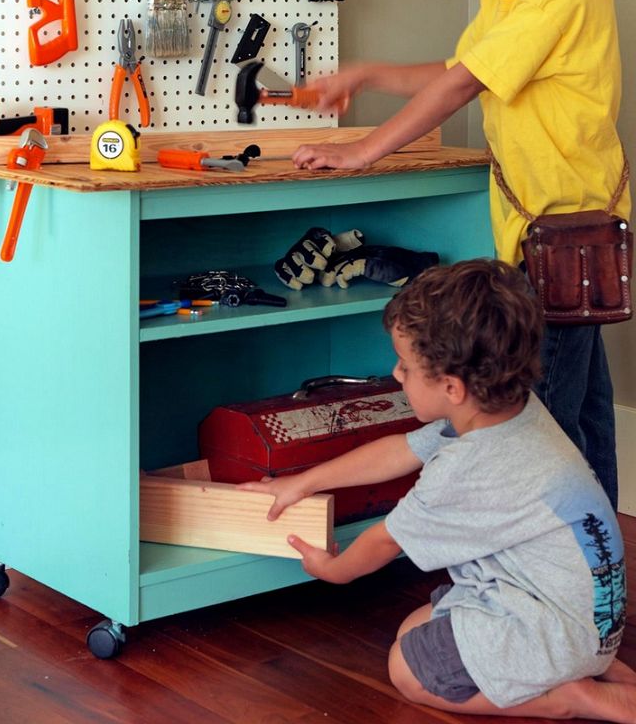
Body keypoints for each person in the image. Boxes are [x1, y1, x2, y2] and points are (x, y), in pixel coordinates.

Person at [291, 0, 631, 509]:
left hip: (565, 241)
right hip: (538, 235)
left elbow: (461, 87)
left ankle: (547, 582)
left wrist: (361, 152)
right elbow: (453, 69)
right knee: (584, 415)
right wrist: (370, 74)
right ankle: (602, 581)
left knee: (542, 427)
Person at [242, 259, 634, 720]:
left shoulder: (469, 467)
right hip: (583, 616)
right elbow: (398, 451)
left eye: (405, 366)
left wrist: (334, 570)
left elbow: (384, 540)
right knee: (416, 626)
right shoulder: (512, 410)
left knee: (406, 669)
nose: (395, 373)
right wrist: (301, 482)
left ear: (451, 387)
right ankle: (586, 664)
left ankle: (570, 698)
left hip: (555, 626)